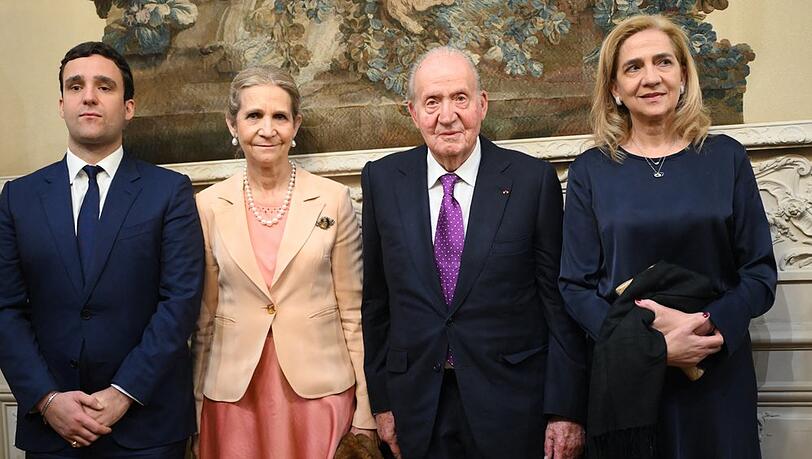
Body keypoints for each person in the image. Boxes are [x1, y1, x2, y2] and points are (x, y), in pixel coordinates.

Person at [559, 14, 776, 458]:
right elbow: (575, 285)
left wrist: (707, 326)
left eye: (663, 62)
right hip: (627, 379)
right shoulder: (591, 171)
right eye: (633, 67)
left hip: (715, 370)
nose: (651, 77)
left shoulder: (726, 159)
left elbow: (759, 273)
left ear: (683, 75)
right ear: (615, 89)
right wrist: (649, 346)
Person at [361, 46, 587, 459]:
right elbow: (376, 303)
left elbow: (559, 306)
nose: (447, 116)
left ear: (482, 105)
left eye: (459, 98)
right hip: (418, 408)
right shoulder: (382, 181)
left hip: (514, 406)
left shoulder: (531, 181)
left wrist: (565, 409)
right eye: (432, 102)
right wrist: (383, 403)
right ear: (412, 112)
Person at [0, 41, 205, 458]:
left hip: (147, 427)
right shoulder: (17, 198)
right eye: (76, 86)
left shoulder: (169, 192)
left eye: (104, 86)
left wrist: (123, 392)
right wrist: (47, 399)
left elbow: (179, 303)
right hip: (51, 428)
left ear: (128, 107)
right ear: (61, 104)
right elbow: (5, 308)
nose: (89, 96)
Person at [192, 65, 377, 459]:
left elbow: (354, 313)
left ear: (296, 125)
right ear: (232, 124)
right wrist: (193, 407)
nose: (267, 128)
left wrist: (366, 407)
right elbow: (204, 319)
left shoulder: (332, 199)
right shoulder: (207, 205)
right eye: (254, 115)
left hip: (320, 395)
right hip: (233, 401)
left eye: (280, 116)